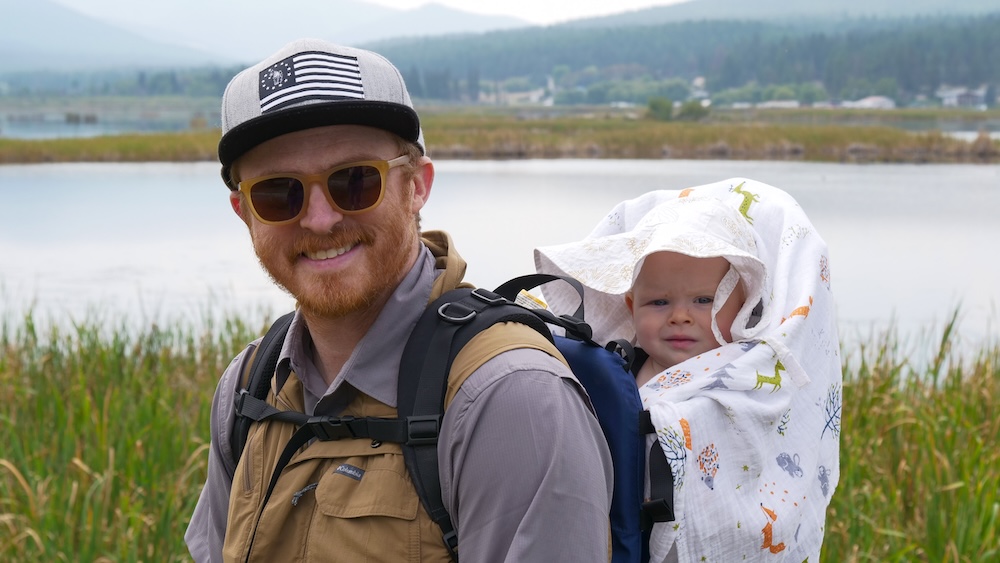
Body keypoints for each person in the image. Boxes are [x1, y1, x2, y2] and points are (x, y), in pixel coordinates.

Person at [185, 38, 613, 562]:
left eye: (355, 181)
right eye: (279, 193)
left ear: (417, 186)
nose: (320, 219)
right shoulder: (249, 385)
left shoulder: (510, 400)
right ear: (244, 212)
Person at [535, 181, 842, 562]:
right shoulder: (616, 368)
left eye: (703, 300)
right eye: (658, 301)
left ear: (744, 303)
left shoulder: (746, 378)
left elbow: (760, 451)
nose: (680, 316)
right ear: (630, 306)